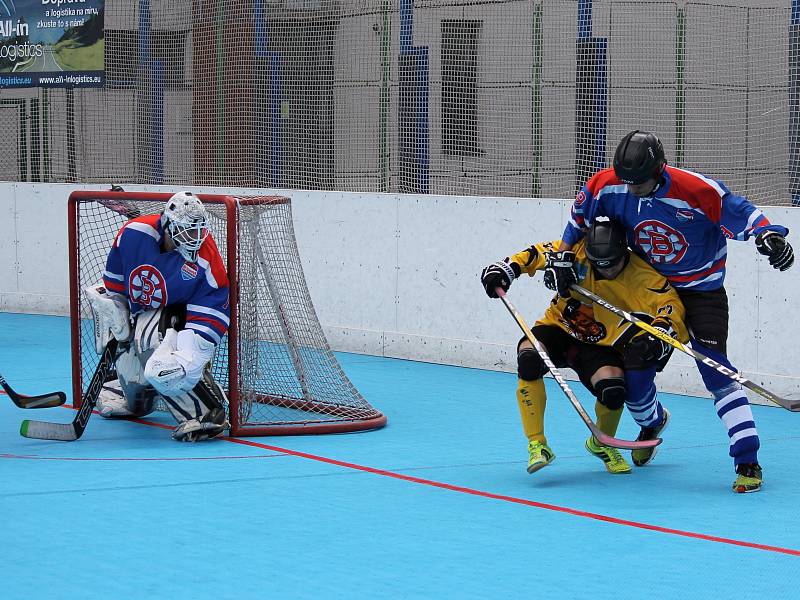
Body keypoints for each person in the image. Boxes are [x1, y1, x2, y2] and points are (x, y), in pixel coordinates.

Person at [546, 130, 795, 493]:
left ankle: (747, 459)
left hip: (700, 293)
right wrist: (565, 253)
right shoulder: (607, 185)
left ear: (660, 169)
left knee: (716, 371)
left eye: (640, 182)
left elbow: (741, 211)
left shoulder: (695, 189)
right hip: (647, 292)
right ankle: (652, 422)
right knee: (635, 373)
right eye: (627, 182)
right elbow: (580, 217)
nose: (632, 189)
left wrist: (767, 235)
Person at [481, 219, 688, 475]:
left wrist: (661, 330)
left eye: (611, 265)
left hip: (600, 344)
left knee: (613, 390)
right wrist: (505, 269)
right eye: (597, 264)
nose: (605, 270)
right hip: (558, 327)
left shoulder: (642, 275)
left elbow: (670, 305)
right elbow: (534, 254)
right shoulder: (575, 251)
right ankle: (537, 444)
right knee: (529, 358)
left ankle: (601, 443)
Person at [86, 190, 231, 442]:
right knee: (134, 386)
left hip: (181, 319)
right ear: (167, 224)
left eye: (198, 230)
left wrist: (192, 350)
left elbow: (216, 301)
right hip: (143, 315)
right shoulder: (133, 234)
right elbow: (117, 283)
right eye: (187, 230)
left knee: (155, 347)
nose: (194, 237)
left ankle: (207, 413)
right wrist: (116, 310)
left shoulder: (206, 257)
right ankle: (125, 389)